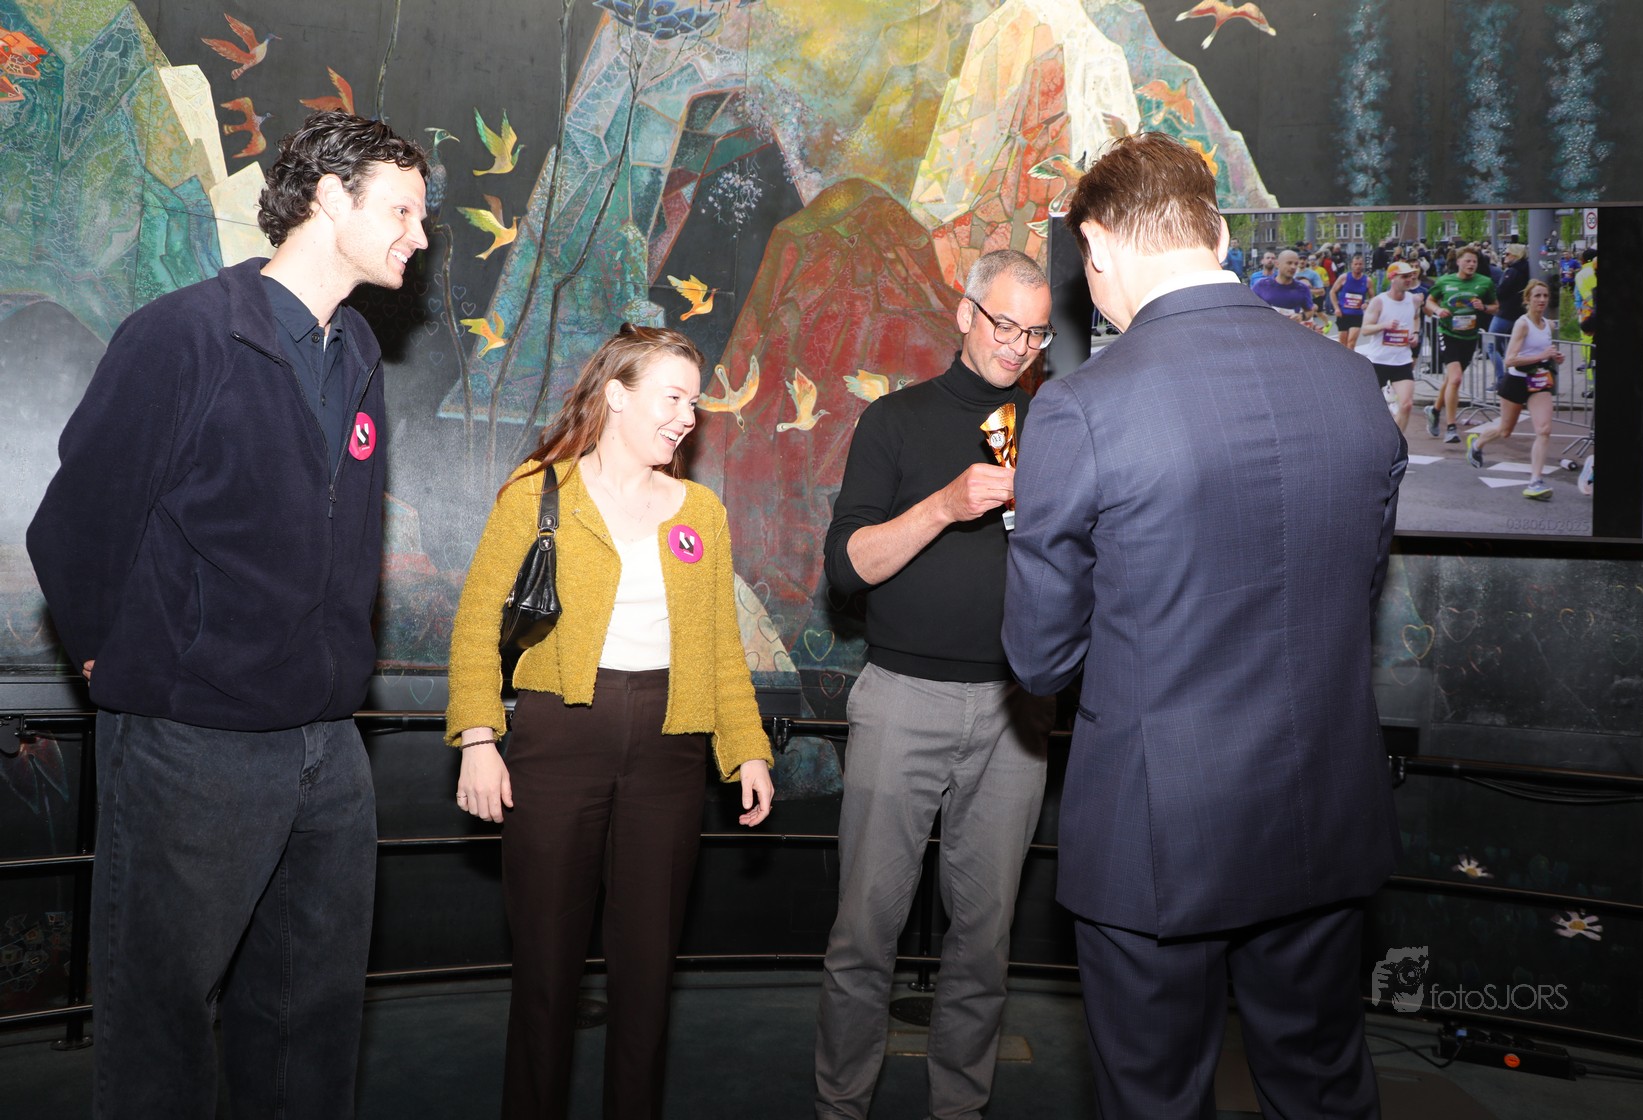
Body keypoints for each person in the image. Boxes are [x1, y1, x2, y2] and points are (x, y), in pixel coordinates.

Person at [25, 111, 429, 1119]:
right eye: (402, 211)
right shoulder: (183, 335)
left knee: (311, 1021)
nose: (419, 237)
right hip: (193, 740)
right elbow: (75, 525)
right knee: (162, 1022)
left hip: (328, 743)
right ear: (329, 198)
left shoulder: (356, 349)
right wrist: (119, 660)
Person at [1003, 132, 1404, 1120]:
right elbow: (1355, 592)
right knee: (1322, 1088)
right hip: (1321, 812)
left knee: (1157, 1099)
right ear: (1216, 234)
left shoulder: (1082, 409)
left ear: (1098, 245)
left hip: (1158, 834)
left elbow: (1040, 658)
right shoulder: (1351, 383)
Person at [445, 324, 774, 1119]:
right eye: (673, 398)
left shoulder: (702, 512)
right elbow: (476, 624)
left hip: (670, 751)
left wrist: (748, 751)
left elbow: (721, 648)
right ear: (618, 396)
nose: (687, 417)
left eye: (693, 403)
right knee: (546, 972)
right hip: (558, 742)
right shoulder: (538, 493)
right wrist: (480, 739)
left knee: (648, 975)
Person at [815, 248, 1055, 1120]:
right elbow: (847, 568)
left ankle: (960, 1109)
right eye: (1004, 324)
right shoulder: (896, 421)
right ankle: (841, 1107)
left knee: (984, 945)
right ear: (965, 314)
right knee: (863, 935)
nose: (1017, 345)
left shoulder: (1058, 425)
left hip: (1017, 711)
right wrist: (947, 506)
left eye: (1036, 333)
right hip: (902, 696)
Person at [1466, 280, 1564, 500]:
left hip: (1539, 382)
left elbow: (1544, 352)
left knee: (1544, 429)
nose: (1542, 300)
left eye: (1545, 296)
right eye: (1537, 296)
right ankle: (1477, 443)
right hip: (1517, 380)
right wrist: (1542, 356)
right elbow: (1510, 360)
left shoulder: (1548, 325)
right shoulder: (1522, 324)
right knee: (1505, 431)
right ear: (1527, 299)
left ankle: (1535, 481)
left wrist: (1556, 357)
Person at [1423, 247, 1496, 444]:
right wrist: (1438, 310)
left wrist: (1484, 307)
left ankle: (1434, 410)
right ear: (1458, 262)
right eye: (1467, 261)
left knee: (1451, 380)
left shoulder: (1485, 282)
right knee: (1455, 379)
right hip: (1448, 334)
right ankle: (1451, 428)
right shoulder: (1445, 281)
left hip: (1470, 337)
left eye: (1474, 261)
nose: (1471, 264)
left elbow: (1495, 307)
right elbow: (1429, 301)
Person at [1355, 260, 1425, 431]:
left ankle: (1397, 442)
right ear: (1392, 278)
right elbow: (1365, 329)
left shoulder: (1415, 300)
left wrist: (1415, 333)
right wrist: (1383, 325)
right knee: (1368, 407)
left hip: (1402, 361)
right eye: (1404, 276)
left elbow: (1416, 317)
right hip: (1379, 361)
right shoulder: (1379, 302)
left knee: (1406, 405)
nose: (1409, 279)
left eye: (1411, 276)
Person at [1486, 241, 1531, 380]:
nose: (1504, 256)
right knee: (1511, 347)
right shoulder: (1527, 269)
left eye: (1507, 254)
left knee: (1491, 345)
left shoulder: (1512, 271)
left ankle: (1501, 379)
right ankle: (1513, 378)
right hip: (1520, 313)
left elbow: (1502, 292)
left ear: (1516, 255)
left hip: (1505, 314)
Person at [1251, 248, 1317, 326]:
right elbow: (1248, 306)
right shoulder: (1262, 285)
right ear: (1277, 264)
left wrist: (1302, 316)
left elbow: (1310, 311)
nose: (1293, 267)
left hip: (1290, 331)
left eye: (1296, 264)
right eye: (1289, 263)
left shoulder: (1302, 288)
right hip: (1265, 330)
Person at [1329, 251, 1372, 348]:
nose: (1358, 266)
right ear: (1351, 265)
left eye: (1360, 264)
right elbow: (1332, 292)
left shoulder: (1367, 280)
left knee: (1351, 342)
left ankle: (1351, 358)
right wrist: (1336, 308)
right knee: (1342, 343)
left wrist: (1367, 303)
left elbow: (1372, 297)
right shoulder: (1344, 278)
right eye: (1356, 264)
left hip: (1357, 315)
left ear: (1363, 265)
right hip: (1343, 314)